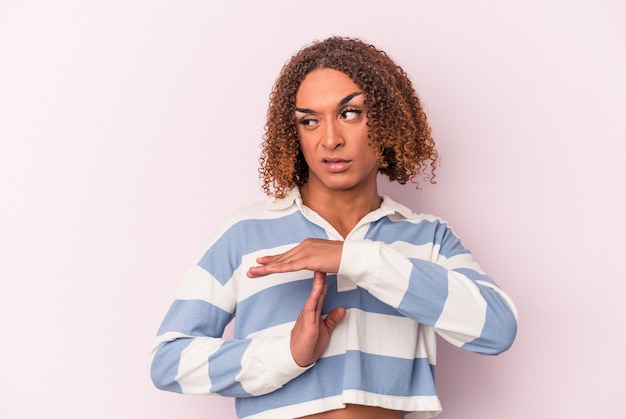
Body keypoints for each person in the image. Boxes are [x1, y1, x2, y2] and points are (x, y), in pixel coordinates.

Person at [149, 37, 518, 419]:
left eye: (350, 113)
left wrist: (356, 259)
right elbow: (168, 359)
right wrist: (286, 354)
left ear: (387, 120)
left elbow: (497, 329)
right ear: (294, 134)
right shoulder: (247, 232)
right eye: (309, 120)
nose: (330, 139)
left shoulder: (426, 237)